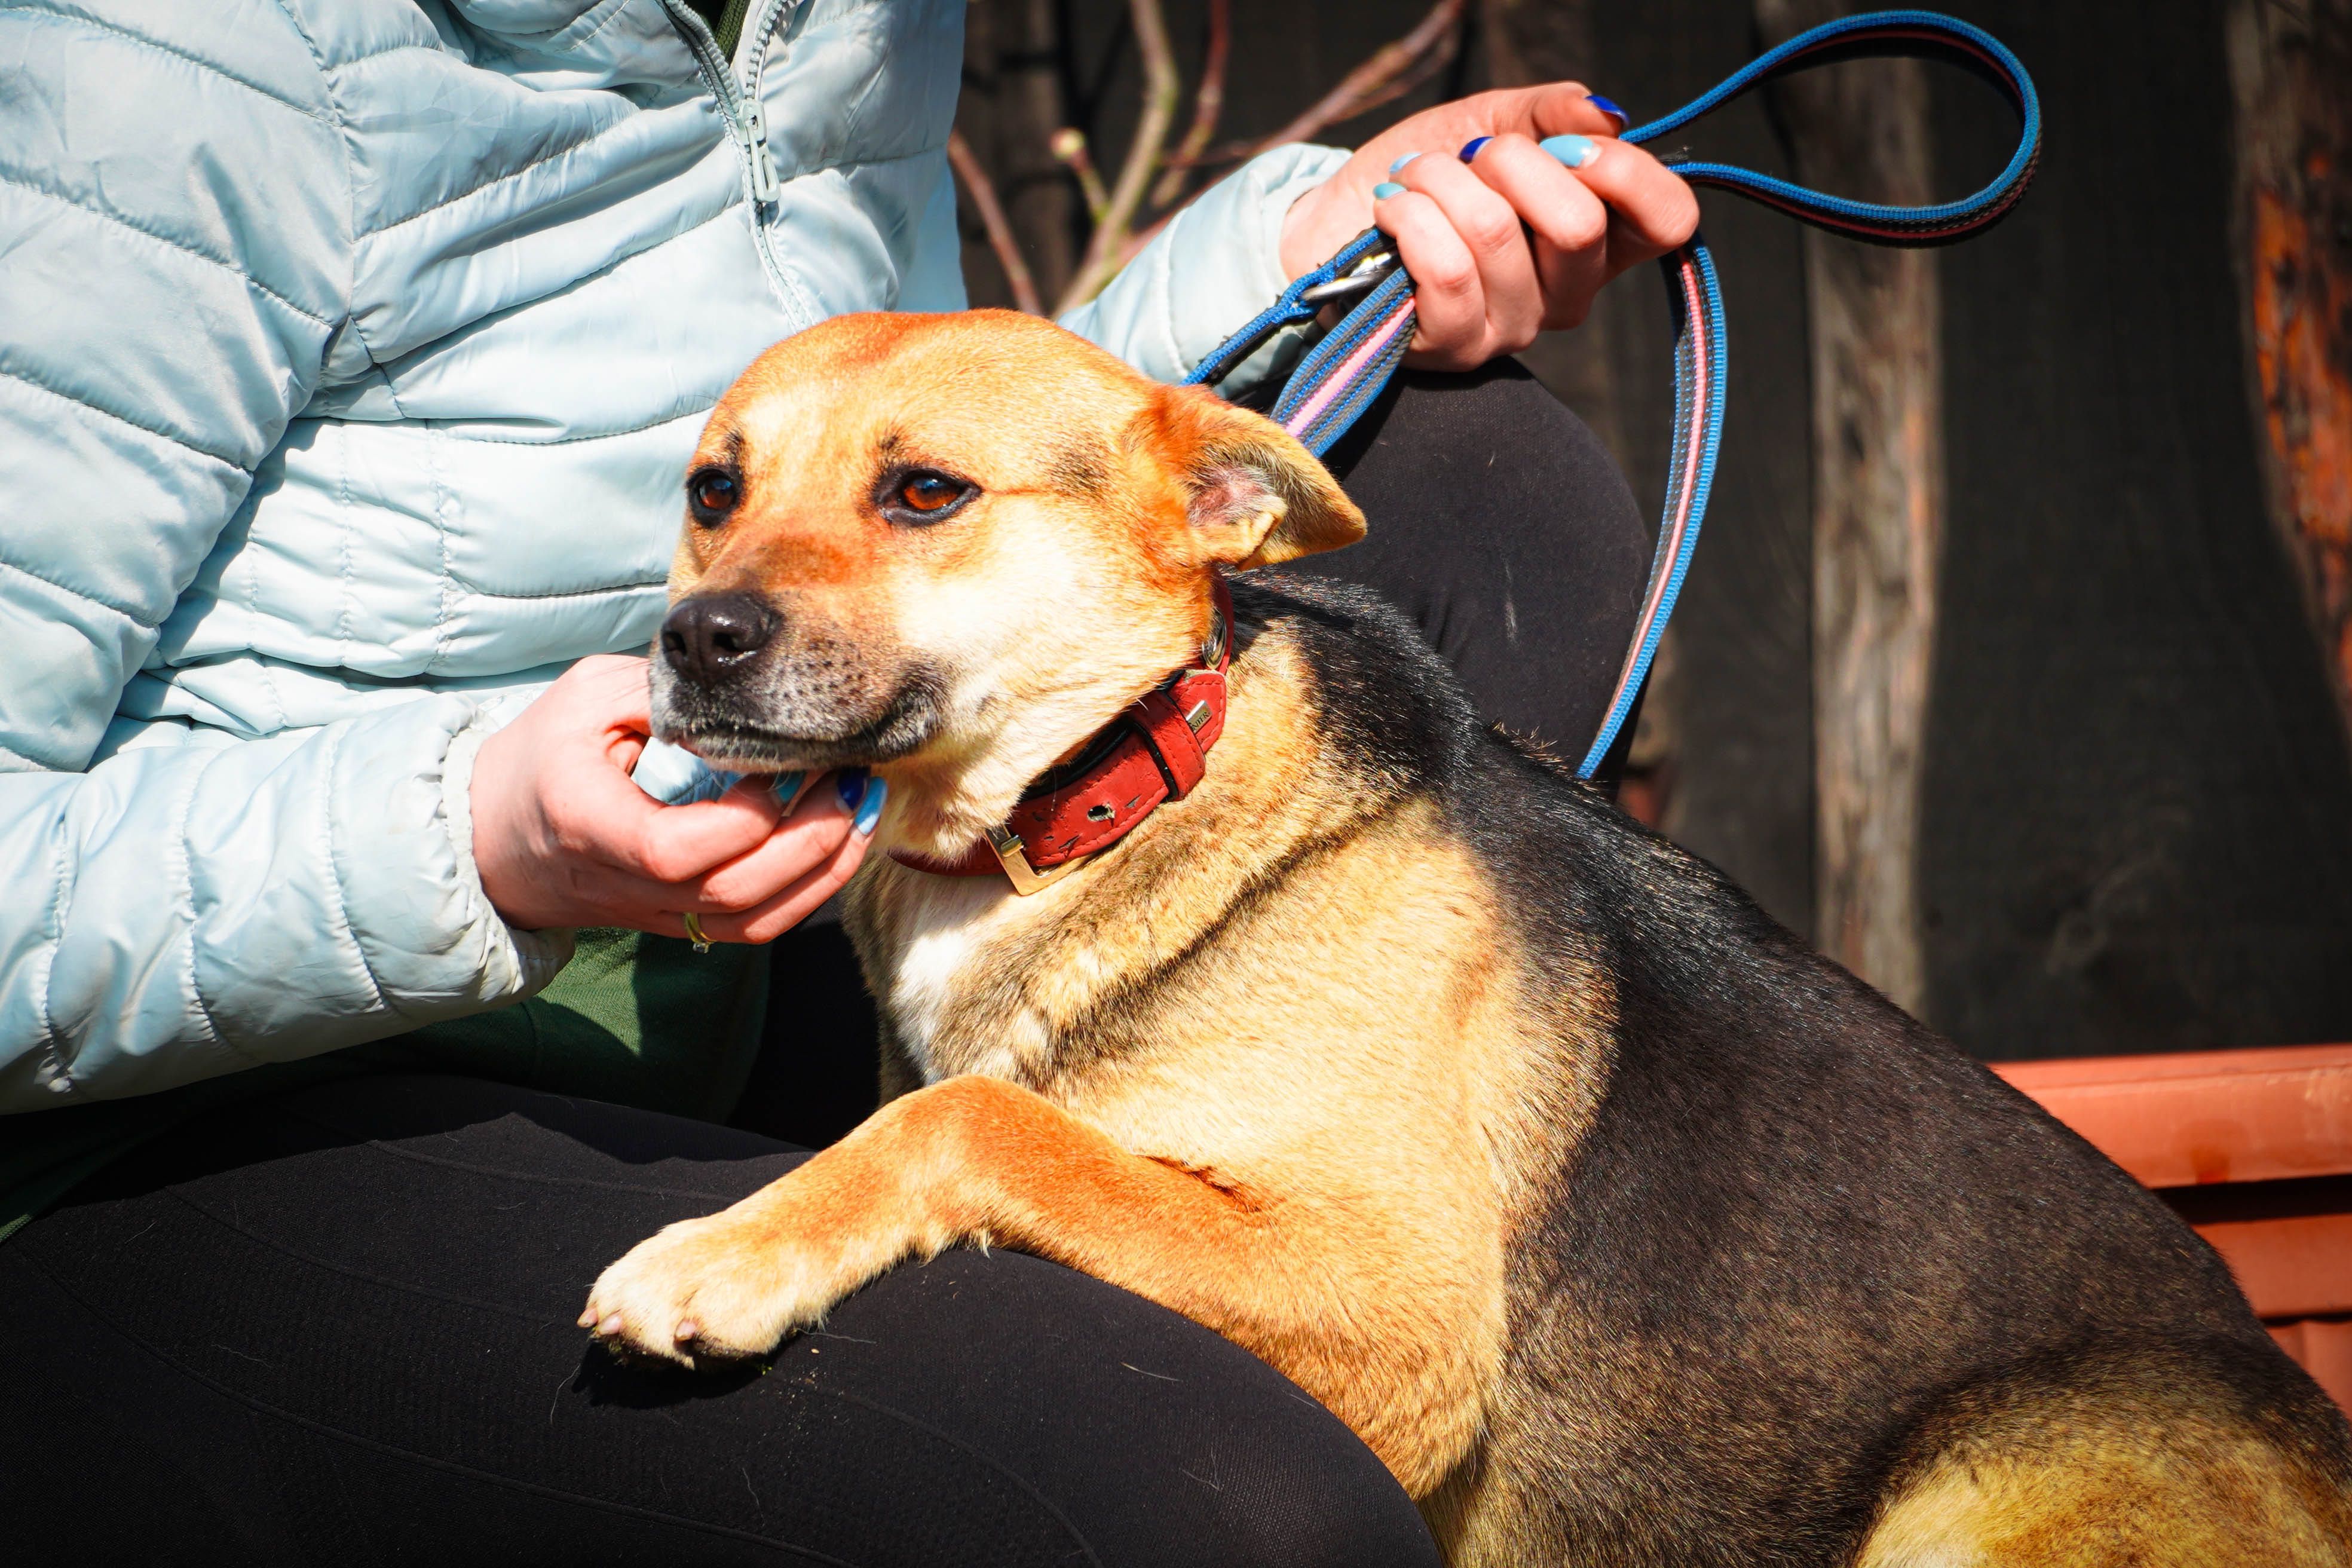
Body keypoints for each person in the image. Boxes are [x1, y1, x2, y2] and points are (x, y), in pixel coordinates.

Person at [0, 1, 1696, 1560]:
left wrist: (1289, 252)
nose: (719, 572)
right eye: (709, 498)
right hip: (187, 1107)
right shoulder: (166, 61)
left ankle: (1403, 1243)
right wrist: (477, 838)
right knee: (1216, 1506)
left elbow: (908, 436)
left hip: (749, 931)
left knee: (1482, 476)